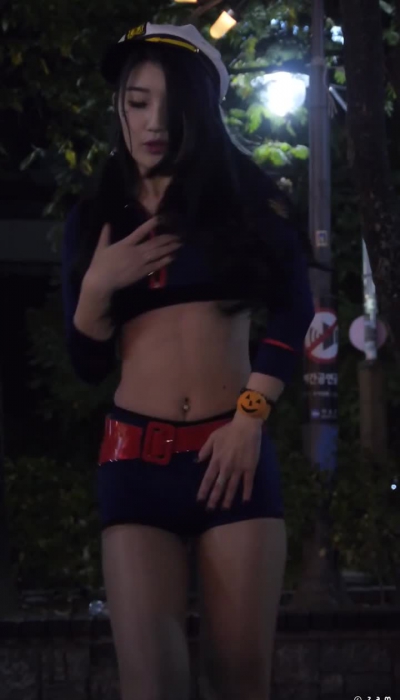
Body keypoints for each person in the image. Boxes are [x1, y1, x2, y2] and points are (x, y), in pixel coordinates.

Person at [61, 21, 315, 700]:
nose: (152, 123)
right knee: (152, 685)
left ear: (200, 112)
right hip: (135, 462)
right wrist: (96, 289)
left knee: (240, 681)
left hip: (232, 457)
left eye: (170, 107)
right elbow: (86, 364)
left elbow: (294, 310)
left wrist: (250, 417)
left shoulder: (248, 206)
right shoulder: (93, 220)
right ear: (118, 106)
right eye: (136, 102)